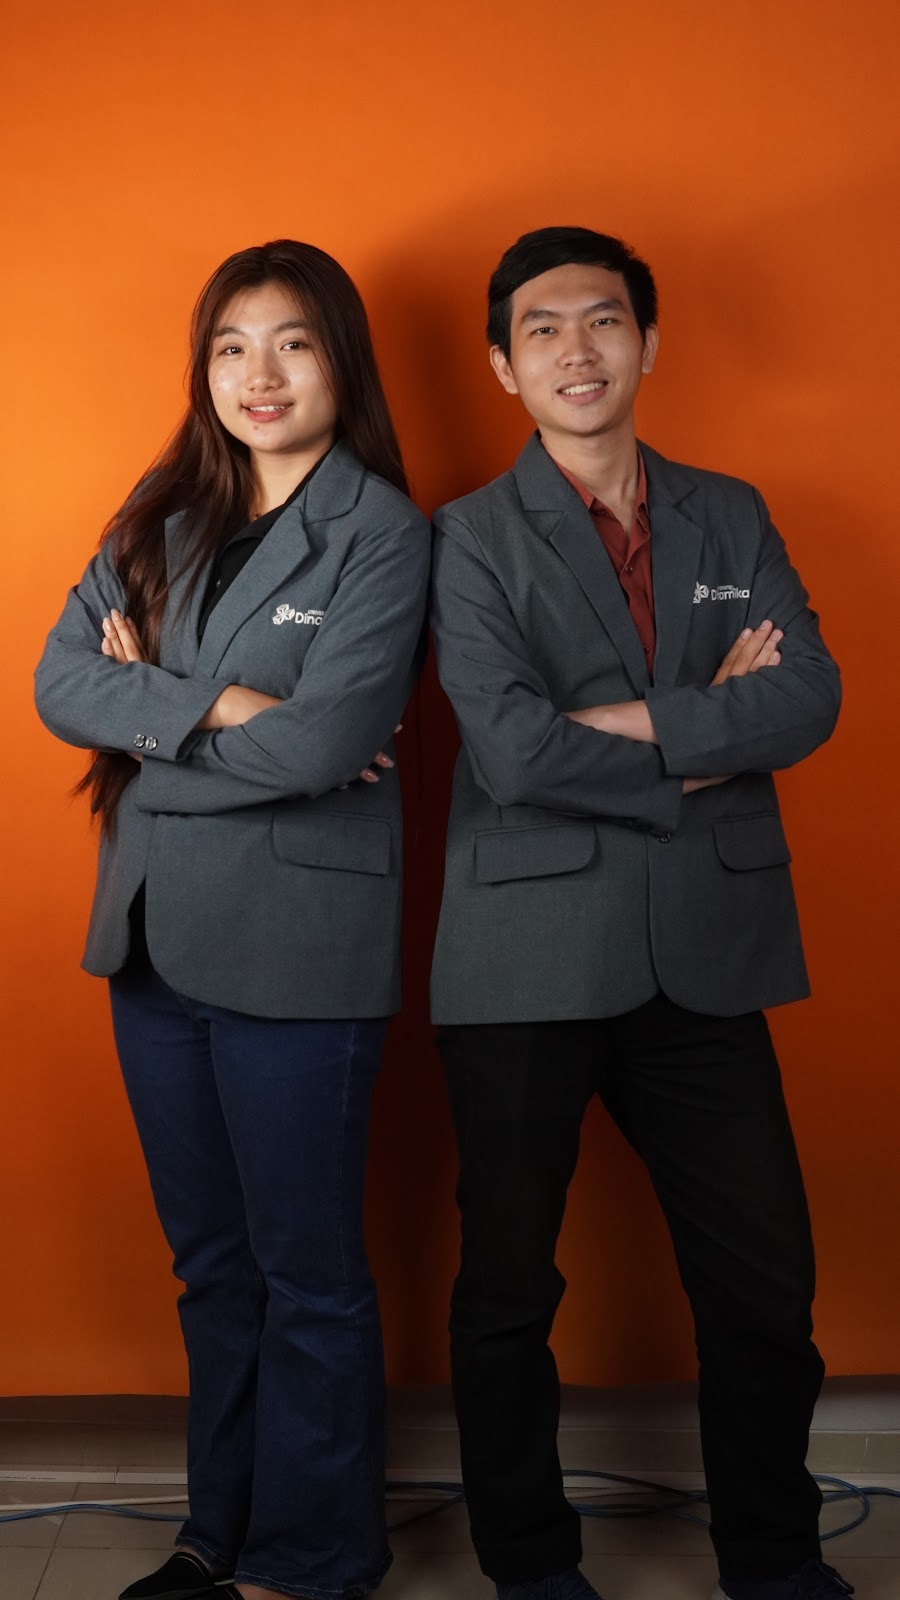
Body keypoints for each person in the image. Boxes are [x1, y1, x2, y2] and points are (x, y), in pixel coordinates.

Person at [429, 227, 850, 1600]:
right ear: (505, 366)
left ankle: (774, 1559)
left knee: (765, 1286)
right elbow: (511, 754)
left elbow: (808, 699)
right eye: (542, 328)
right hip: (523, 956)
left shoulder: (731, 511)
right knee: (507, 1291)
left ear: (648, 342)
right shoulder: (466, 536)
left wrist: (620, 726)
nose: (577, 349)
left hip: (707, 953)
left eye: (603, 320)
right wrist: (706, 726)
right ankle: (531, 1566)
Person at [35, 239, 430, 1600]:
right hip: (152, 940)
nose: (259, 375)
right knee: (212, 1269)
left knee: (307, 1273)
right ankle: (218, 1534)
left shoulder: (384, 532)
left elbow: (326, 747)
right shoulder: (163, 509)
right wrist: (226, 707)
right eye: (231, 347)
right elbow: (58, 682)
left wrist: (153, 719)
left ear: (342, 363)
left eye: (293, 343)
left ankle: (316, 1558)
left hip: (300, 946)